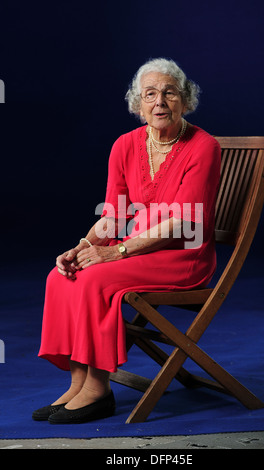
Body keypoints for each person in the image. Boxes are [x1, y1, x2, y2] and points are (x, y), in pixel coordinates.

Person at [32, 58, 221, 424]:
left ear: (185, 100)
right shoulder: (124, 145)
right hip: (136, 248)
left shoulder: (203, 146)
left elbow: (183, 223)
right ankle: (79, 381)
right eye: (150, 94)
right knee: (63, 275)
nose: (160, 102)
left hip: (184, 255)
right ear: (138, 104)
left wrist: (114, 252)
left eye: (169, 93)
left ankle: (98, 389)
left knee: (97, 278)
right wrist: (84, 247)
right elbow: (115, 215)